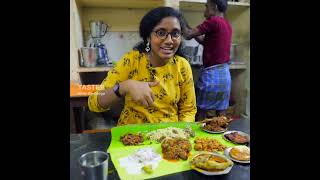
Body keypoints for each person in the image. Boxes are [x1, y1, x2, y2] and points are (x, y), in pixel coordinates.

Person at [88, 7, 197, 126]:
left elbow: (188, 110)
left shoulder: (182, 65)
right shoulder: (131, 61)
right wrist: (124, 86)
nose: (169, 40)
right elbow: (94, 102)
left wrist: (180, 136)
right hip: (132, 136)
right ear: (148, 37)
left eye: (175, 34)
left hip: (169, 137)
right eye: (161, 33)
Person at [183, 0, 232, 121]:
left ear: (214, 7)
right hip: (225, 74)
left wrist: (179, 19)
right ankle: (221, 136)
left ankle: (200, 138)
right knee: (221, 113)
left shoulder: (213, 21)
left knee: (201, 112)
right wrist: (188, 27)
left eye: (206, 7)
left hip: (212, 75)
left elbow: (188, 35)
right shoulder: (226, 24)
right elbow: (204, 41)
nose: (204, 10)